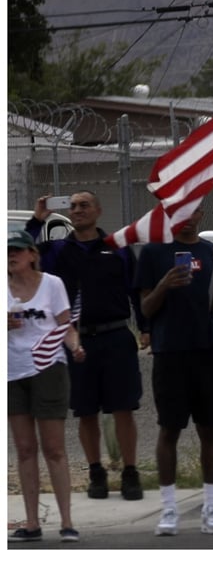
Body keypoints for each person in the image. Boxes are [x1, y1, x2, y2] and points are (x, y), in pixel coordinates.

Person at [26, 191, 149, 501]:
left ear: (98, 210)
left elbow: (136, 291)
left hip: (117, 337)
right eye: (74, 206)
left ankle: (130, 473)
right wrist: (38, 218)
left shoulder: (116, 248)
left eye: (84, 205)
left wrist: (146, 328)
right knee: (86, 411)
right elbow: (19, 254)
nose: (78, 210)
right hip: (77, 341)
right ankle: (96, 472)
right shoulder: (57, 251)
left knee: (123, 408)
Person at [135, 206, 213, 536]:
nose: (188, 217)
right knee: (169, 429)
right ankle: (169, 509)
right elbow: (146, 308)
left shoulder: (210, 252)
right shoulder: (152, 252)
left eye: (194, 211)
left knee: (209, 428)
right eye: (181, 211)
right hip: (169, 351)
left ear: (202, 214)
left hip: (206, 349)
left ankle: (211, 507)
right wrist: (164, 285)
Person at [8, 230, 86, 543]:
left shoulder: (52, 284)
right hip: (13, 371)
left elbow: (66, 325)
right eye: (7, 252)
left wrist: (76, 346)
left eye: (17, 250)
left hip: (48, 368)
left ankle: (67, 522)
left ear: (31, 254)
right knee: (25, 449)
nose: (11, 256)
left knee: (53, 448)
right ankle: (31, 523)